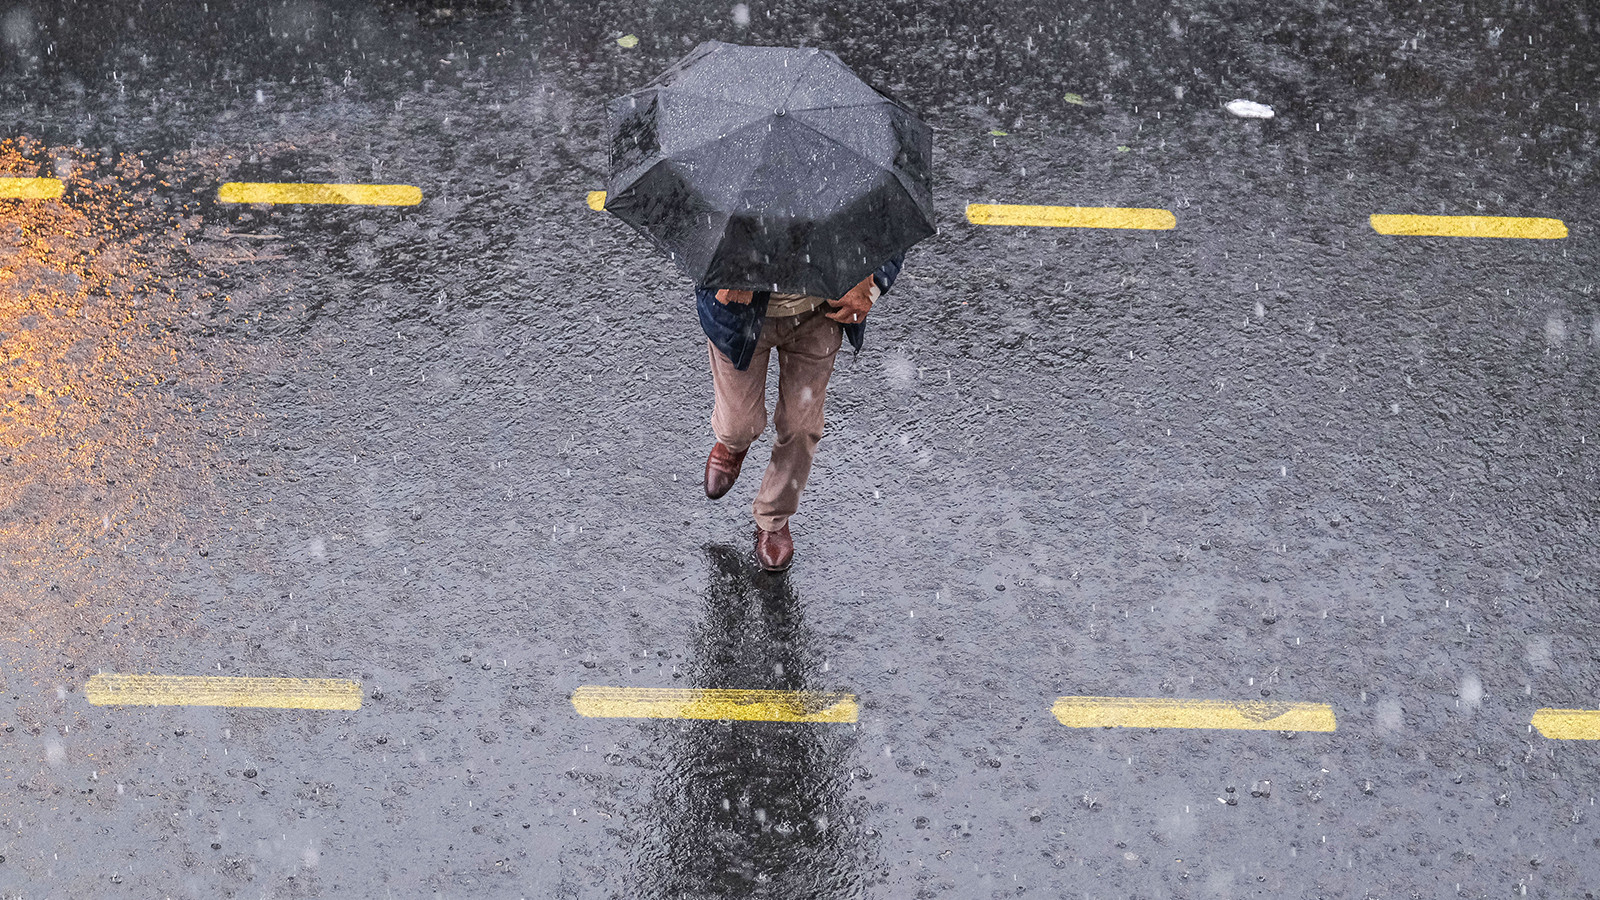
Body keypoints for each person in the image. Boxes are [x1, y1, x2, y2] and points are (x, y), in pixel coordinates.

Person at [695, 254, 905, 572]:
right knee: (738, 425)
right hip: (740, 312)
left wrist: (871, 284)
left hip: (820, 316)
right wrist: (726, 269)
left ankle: (773, 517)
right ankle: (733, 444)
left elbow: (890, 219)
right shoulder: (735, 201)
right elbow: (691, 229)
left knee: (802, 426)